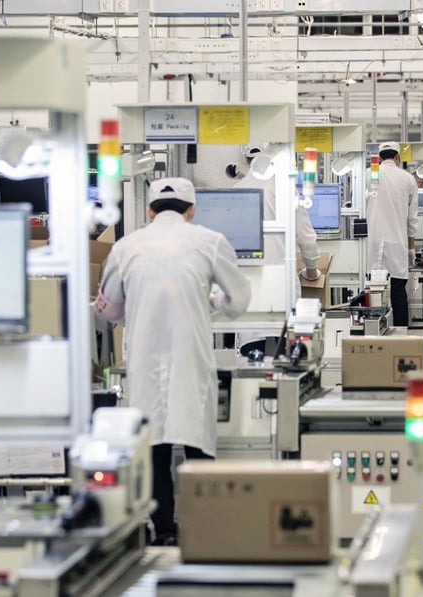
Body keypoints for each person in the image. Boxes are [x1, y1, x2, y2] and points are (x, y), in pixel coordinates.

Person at [94, 178, 251, 546]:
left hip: (144, 358)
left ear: (149, 211)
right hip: (191, 357)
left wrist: (130, 311)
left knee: (154, 447)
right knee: (197, 445)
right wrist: (213, 303)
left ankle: (162, 532)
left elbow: (109, 307)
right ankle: (204, 533)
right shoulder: (210, 242)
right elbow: (240, 299)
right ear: (191, 209)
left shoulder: (125, 246)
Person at [235, 144, 322, 281]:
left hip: (245, 278)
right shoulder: (284, 187)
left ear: (245, 159)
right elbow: (305, 235)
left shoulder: (235, 189)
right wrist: (311, 270)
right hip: (279, 277)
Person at [367, 141, 418, 327]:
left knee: (372, 292)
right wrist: (412, 250)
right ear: (398, 157)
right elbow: (412, 220)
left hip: (370, 244)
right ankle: (401, 336)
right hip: (398, 243)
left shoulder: (367, 175)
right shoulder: (407, 179)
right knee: (397, 292)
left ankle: (370, 333)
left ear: (379, 158)